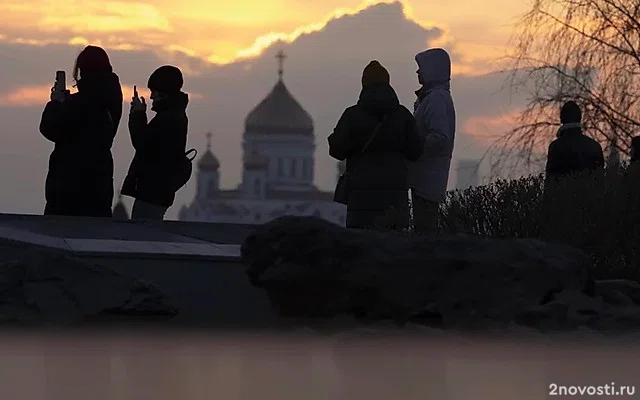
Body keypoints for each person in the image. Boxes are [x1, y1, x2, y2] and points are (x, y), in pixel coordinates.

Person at [328, 60, 423, 229]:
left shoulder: (352, 115)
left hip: (361, 196)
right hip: (395, 195)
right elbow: (416, 150)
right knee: (395, 245)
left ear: (364, 84)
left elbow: (337, 150)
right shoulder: (402, 115)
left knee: (361, 246)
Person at [39, 45, 123, 217]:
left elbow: (49, 128)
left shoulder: (81, 102)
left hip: (69, 183)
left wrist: (55, 103)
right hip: (99, 179)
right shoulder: (111, 97)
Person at [121, 65, 189, 220]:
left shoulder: (168, 118)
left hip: (153, 191)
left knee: (141, 233)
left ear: (164, 94)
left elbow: (141, 143)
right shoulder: (173, 115)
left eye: (154, 92)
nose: (151, 97)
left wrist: (137, 115)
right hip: (158, 191)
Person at [407, 48, 456, 234]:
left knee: (425, 231)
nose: (418, 72)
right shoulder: (431, 98)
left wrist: (415, 146)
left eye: (421, 68)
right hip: (424, 176)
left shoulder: (436, 99)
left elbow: (440, 137)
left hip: (428, 177)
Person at [545, 101, 604, 181]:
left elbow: (551, 182)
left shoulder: (556, 147)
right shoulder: (595, 146)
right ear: (580, 118)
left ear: (561, 119)